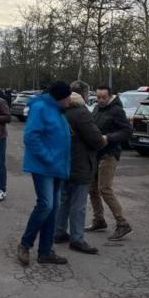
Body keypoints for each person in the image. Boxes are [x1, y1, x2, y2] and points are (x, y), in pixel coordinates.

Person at [16, 81, 72, 266]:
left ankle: (45, 252)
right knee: (46, 205)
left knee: (52, 209)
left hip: (56, 167)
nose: (70, 99)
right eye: (68, 96)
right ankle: (25, 244)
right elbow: (31, 136)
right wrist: (48, 157)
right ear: (60, 97)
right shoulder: (40, 107)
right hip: (43, 166)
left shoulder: (57, 110)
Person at [54, 81, 106, 254]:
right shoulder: (81, 112)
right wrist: (104, 139)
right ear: (84, 94)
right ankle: (77, 238)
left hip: (62, 162)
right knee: (78, 204)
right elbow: (96, 140)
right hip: (80, 163)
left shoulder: (60, 109)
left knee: (64, 199)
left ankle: (59, 231)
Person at [87, 85, 134, 240]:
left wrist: (109, 137)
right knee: (92, 188)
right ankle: (99, 220)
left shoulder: (116, 111)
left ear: (110, 96)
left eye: (103, 97)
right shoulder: (97, 109)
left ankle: (122, 223)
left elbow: (127, 131)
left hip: (109, 154)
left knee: (104, 189)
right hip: (96, 154)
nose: (100, 100)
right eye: (98, 97)